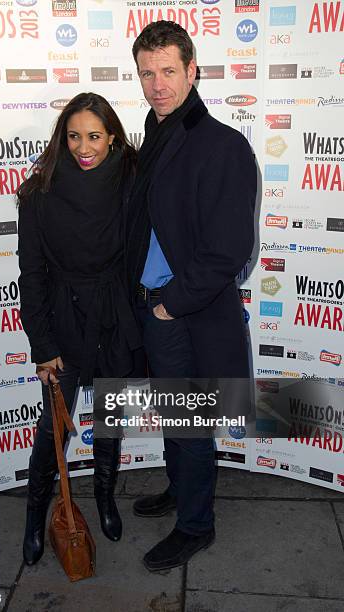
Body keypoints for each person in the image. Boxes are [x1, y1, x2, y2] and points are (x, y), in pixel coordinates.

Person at [126, 21, 257, 572]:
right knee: (172, 414)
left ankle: (196, 525)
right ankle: (180, 493)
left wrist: (167, 304)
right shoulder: (154, 135)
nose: (157, 85)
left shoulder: (223, 144)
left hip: (185, 311)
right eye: (147, 73)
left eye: (168, 71)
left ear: (193, 70)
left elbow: (229, 252)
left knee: (191, 421)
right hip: (155, 307)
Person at [17, 92, 144, 566]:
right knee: (52, 431)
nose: (83, 147)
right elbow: (31, 275)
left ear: (113, 137)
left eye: (94, 136)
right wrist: (42, 345)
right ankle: (34, 519)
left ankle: (105, 500)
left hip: (114, 317)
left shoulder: (131, 183)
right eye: (74, 136)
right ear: (62, 137)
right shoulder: (38, 193)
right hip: (64, 320)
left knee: (110, 422)